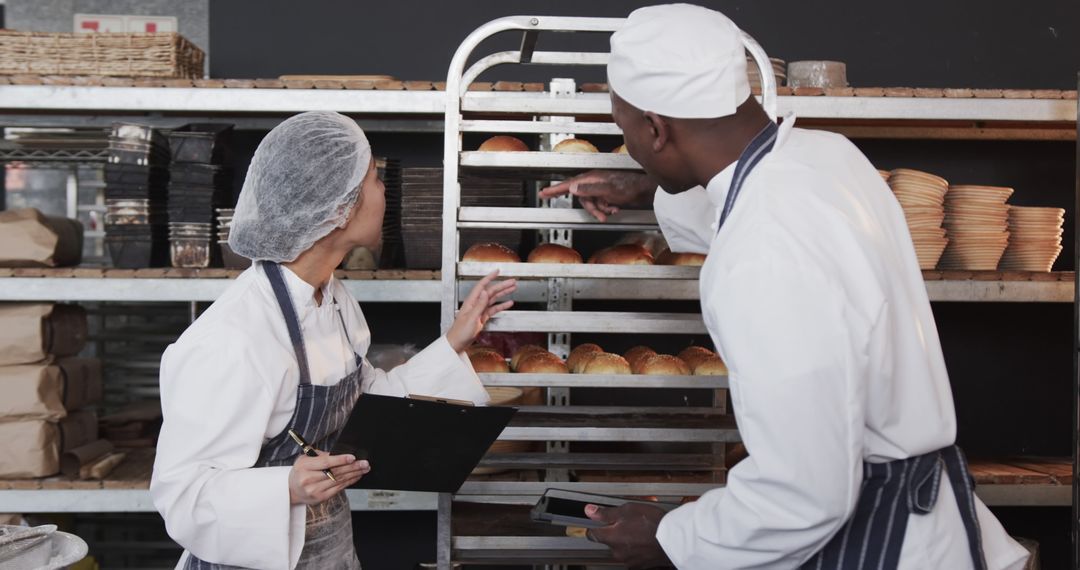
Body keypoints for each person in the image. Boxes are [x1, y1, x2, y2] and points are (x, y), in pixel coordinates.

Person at [541, 5, 1029, 569]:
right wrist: (646, 186)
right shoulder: (828, 155)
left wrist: (674, 538)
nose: (629, 143)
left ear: (655, 128)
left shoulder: (762, 259)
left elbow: (804, 493)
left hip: (880, 540)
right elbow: (747, 205)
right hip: (927, 514)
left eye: (626, 129)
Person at [151, 111, 516, 570]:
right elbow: (181, 494)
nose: (384, 192)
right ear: (338, 208)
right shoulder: (233, 338)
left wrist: (454, 341)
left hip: (330, 552)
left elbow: (366, 403)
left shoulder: (333, 298)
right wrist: (285, 486)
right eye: (375, 179)